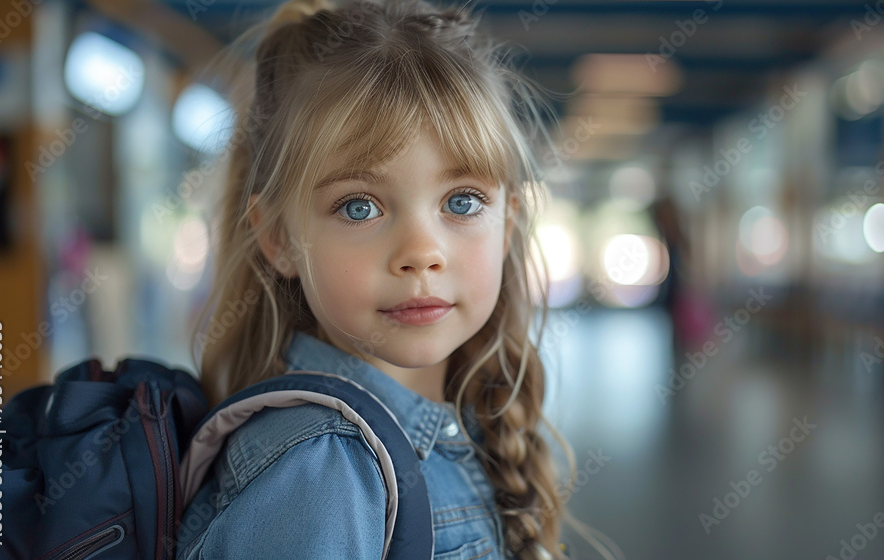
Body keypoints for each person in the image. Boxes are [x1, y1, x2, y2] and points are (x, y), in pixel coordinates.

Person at [175, 1, 622, 559]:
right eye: (359, 207)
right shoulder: (324, 471)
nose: (420, 253)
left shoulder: (464, 426)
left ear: (506, 225)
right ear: (280, 240)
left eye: (462, 201)